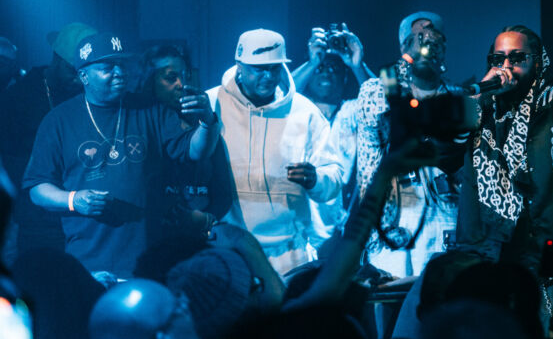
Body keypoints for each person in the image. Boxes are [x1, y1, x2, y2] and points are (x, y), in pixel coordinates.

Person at [21, 32, 220, 278]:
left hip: (149, 258)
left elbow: (195, 151)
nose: (119, 72)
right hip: (88, 262)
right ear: (84, 76)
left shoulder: (149, 109)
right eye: (108, 67)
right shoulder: (58, 121)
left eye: (122, 65)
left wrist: (207, 121)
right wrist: (73, 199)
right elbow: (37, 187)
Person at [456, 25, 553, 272]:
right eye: (498, 59)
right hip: (487, 252)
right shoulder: (478, 112)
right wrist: (479, 96)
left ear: (538, 63)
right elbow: (445, 152)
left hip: (552, 253)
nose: (506, 66)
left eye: (517, 57)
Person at [332, 11, 466, 278]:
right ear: (403, 47)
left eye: (433, 36)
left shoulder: (458, 97)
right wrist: (409, 59)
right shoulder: (375, 90)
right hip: (394, 223)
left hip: (444, 223)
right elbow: (384, 99)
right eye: (416, 37)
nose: (426, 42)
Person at [208, 29, 347, 276]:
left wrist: (315, 179)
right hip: (227, 251)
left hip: (289, 255)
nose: (269, 76)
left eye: (275, 68)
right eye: (259, 69)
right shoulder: (213, 103)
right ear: (239, 65)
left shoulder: (305, 112)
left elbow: (334, 177)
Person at [0, 23, 96, 259]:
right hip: (39, 218)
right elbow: (7, 158)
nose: (79, 79)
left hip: (86, 217)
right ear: (56, 59)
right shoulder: (19, 97)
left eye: (85, 72)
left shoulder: (90, 93)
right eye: (72, 70)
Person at [141, 44, 233, 237]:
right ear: (149, 80)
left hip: (199, 235)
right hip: (153, 235)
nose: (180, 84)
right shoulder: (138, 123)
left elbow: (222, 191)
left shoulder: (203, 123)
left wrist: (207, 219)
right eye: (171, 77)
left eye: (185, 76)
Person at [290, 24, 372, 122]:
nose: (326, 74)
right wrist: (312, 63)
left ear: (344, 76)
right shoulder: (296, 111)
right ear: (308, 75)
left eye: (333, 68)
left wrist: (358, 66)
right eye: (319, 68)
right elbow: (281, 95)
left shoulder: (355, 112)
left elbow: (380, 103)